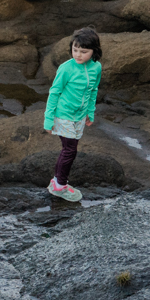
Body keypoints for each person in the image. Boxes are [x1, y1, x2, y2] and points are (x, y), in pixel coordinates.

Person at [43, 27, 104, 203]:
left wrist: (90, 113)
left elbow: (93, 90)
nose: (78, 55)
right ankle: (59, 185)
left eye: (83, 52)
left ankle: (57, 181)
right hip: (64, 114)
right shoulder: (66, 68)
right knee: (69, 150)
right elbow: (54, 92)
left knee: (69, 150)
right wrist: (49, 119)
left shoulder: (96, 67)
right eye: (75, 50)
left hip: (80, 116)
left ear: (94, 51)